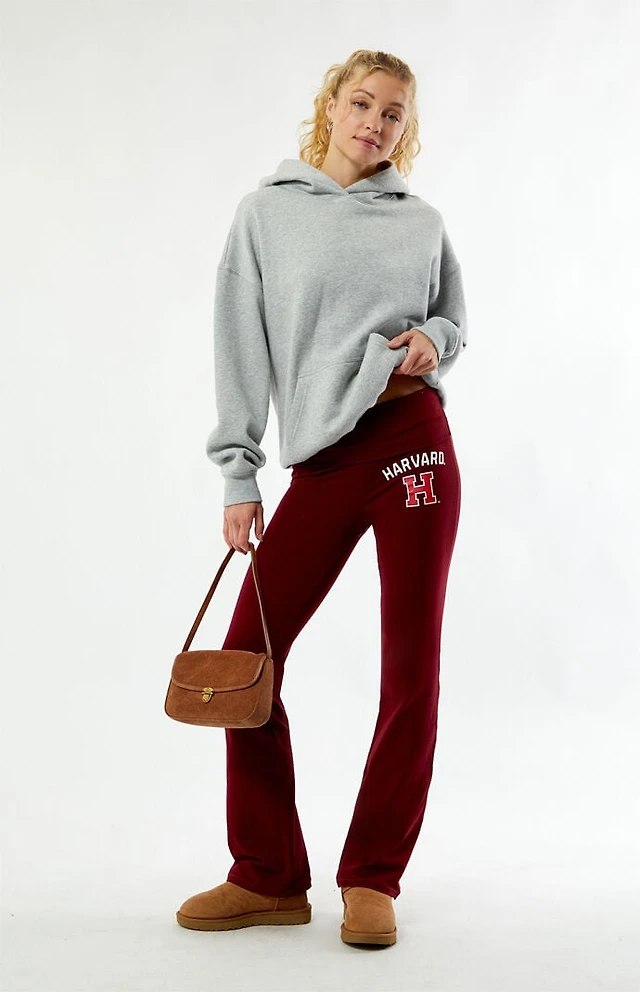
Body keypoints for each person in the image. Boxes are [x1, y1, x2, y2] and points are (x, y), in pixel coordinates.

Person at [176, 48, 467, 947]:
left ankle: (373, 875)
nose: (375, 123)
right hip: (324, 463)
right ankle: (267, 873)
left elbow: (454, 321)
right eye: (362, 103)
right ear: (332, 106)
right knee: (245, 659)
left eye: (393, 113)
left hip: (412, 442)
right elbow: (239, 345)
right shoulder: (266, 214)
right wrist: (239, 471)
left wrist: (434, 338)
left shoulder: (420, 222)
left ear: (404, 131)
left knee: (410, 666)